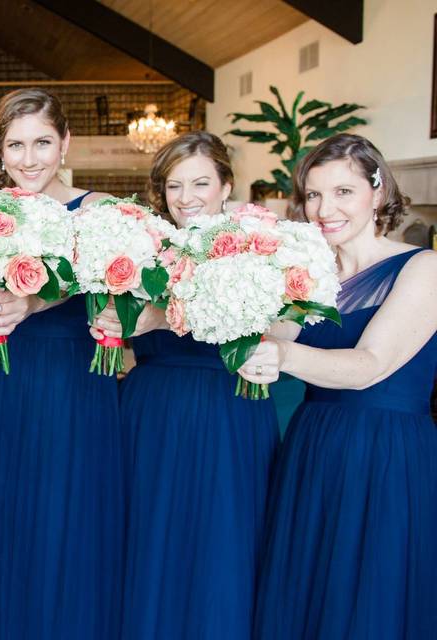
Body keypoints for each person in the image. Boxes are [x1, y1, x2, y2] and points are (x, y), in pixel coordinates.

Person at [243, 134, 437, 639]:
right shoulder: (310, 271)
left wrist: (283, 355)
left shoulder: (422, 268)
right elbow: (271, 334)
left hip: (384, 452)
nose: (324, 209)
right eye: (313, 195)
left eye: (343, 192)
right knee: (308, 584)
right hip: (315, 441)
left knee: (371, 590)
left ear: (377, 191)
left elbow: (370, 365)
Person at [93, 131, 279, 639]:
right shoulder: (145, 247)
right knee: (149, 537)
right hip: (151, 412)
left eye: (200, 182)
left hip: (229, 408)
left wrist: (158, 316)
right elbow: (120, 323)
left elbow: (283, 327)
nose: (187, 197)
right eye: (174, 185)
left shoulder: (258, 248)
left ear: (226, 185)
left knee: (223, 536)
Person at [0, 88, 122, 639]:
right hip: (1, 375)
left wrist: (33, 300)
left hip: (72, 378)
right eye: (16, 145)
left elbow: (105, 282)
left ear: (65, 142)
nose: (30, 159)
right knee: (1, 513)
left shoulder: (97, 210)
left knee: (66, 517)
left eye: (43, 143)